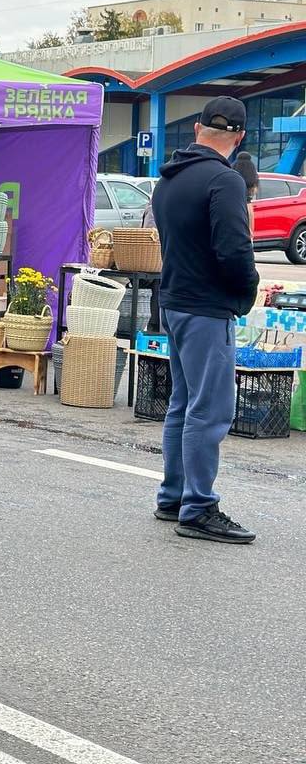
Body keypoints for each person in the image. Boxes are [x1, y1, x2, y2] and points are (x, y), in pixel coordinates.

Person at [152, 96, 260, 544]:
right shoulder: (225, 181)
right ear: (237, 138)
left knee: (183, 402)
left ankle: (173, 496)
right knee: (209, 409)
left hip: (175, 301)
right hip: (206, 308)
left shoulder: (168, 181)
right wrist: (246, 292)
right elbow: (234, 251)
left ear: (197, 130)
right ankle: (198, 508)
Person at [232, 150, 259, 231]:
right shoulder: (252, 171)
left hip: (233, 205)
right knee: (249, 232)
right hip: (247, 205)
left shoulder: (232, 170)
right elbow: (255, 190)